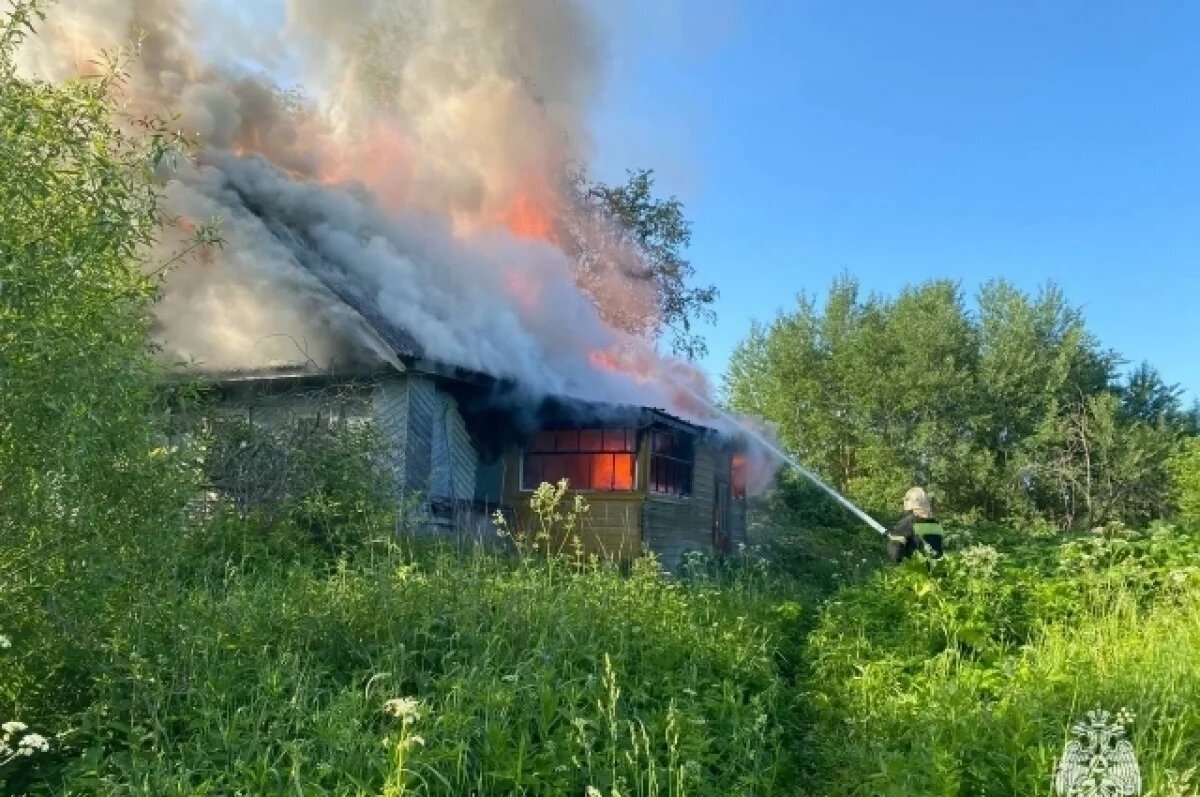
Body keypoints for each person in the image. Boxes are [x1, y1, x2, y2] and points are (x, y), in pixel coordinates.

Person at [887, 486, 944, 563]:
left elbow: (896, 553)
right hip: (936, 569)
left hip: (914, 571)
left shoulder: (907, 523)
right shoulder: (935, 524)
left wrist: (894, 539)